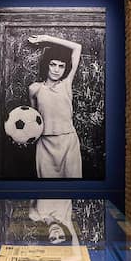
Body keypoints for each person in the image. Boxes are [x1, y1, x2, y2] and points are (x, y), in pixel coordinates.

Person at [27, 34, 83, 178]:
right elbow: (33, 120)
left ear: (65, 68)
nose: (56, 70)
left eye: (61, 66)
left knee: (72, 187)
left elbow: (77, 48)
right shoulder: (34, 89)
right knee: (47, 188)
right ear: (47, 65)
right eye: (53, 64)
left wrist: (47, 38)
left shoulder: (66, 84)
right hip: (45, 144)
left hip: (68, 143)